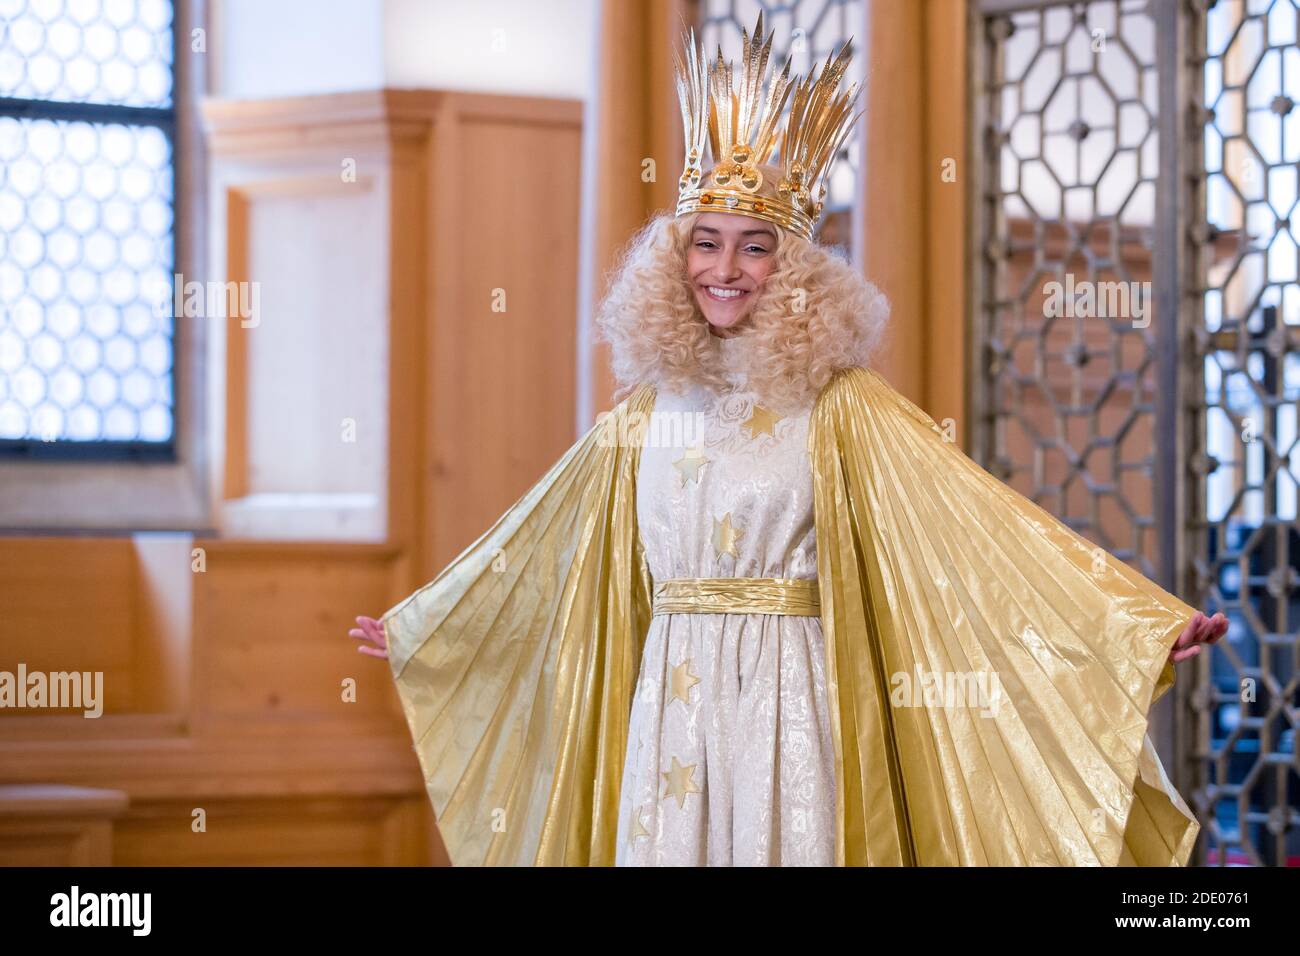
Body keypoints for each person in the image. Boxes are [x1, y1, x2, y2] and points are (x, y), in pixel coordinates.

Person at [348, 14, 1226, 867]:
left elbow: (979, 531)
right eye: (706, 243)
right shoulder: (645, 415)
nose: (724, 270)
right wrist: (436, 626)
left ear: (794, 265)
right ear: (674, 256)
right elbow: (544, 545)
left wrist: (1131, 624)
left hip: (791, 700)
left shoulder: (842, 406)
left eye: (754, 247)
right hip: (672, 701)